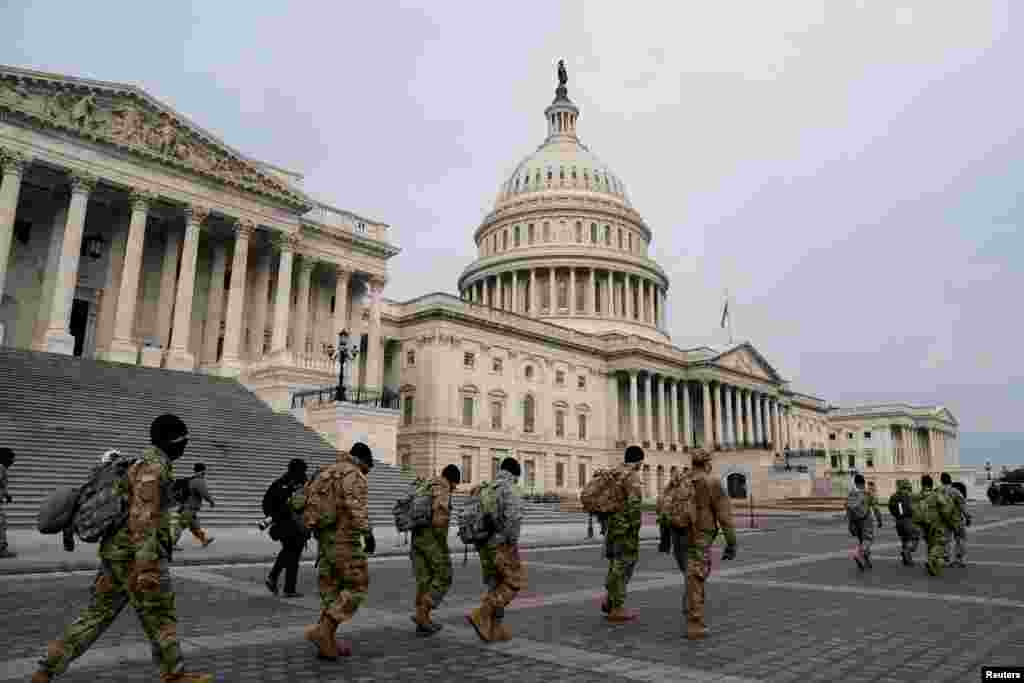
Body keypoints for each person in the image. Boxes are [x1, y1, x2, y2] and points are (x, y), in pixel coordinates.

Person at [31, 414, 213, 682]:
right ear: (173, 441)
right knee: (160, 615)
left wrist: (187, 485)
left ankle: (46, 669)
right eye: (184, 440)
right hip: (136, 558)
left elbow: (149, 499)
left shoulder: (142, 465)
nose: (185, 446)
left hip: (116, 555)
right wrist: (148, 568)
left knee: (97, 614)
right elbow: (143, 520)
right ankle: (174, 675)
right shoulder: (153, 468)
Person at [303, 442, 376, 660]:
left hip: (325, 540)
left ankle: (328, 640)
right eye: (368, 468)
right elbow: (355, 506)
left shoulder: (326, 472)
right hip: (345, 539)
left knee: (331, 589)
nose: (367, 472)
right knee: (357, 585)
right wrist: (368, 533)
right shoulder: (353, 474)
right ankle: (322, 632)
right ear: (363, 461)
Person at [467, 456, 525, 642]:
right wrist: (511, 543)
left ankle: (495, 628)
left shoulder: (486, 487)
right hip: (501, 544)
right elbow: (513, 520)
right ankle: (482, 614)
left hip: (483, 543)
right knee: (513, 582)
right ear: (515, 474)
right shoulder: (510, 489)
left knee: (496, 584)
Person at [682, 449, 737, 639]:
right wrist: (731, 543)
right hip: (701, 534)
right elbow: (725, 516)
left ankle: (689, 610)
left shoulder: (681, 480)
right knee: (696, 576)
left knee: (691, 575)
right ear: (706, 463)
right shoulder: (711, 482)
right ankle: (694, 623)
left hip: (681, 534)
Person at [411, 464, 461, 635]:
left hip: (416, 538)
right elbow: (439, 519)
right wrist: (442, 543)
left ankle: (423, 622)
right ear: (453, 481)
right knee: (444, 576)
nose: (454, 488)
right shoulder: (443, 487)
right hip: (432, 540)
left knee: (424, 578)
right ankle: (422, 613)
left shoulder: (426, 485)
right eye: (456, 485)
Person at [600, 445, 645, 624]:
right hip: (625, 529)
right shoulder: (631, 476)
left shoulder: (614, 473)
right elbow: (634, 505)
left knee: (615, 564)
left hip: (611, 527)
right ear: (639, 460)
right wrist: (635, 527)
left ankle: (610, 600)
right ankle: (617, 607)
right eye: (642, 461)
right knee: (623, 565)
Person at [265, 458, 311, 598]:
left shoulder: (279, 483)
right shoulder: (300, 484)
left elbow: (266, 503)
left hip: (282, 526)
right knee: (293, 556)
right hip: (295, 526)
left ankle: (275, 578)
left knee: (287, 552)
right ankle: (288, 588)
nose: (305, 474)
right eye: (304, 471)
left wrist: (273, 517)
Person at [915, 474, 955, 577]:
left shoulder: (918, 496)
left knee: (930, 544)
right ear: (931, 484)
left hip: (923, 525)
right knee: (940, 544)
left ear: (922, 484)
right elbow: (945, 508)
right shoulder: (936, 495)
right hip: (936, 523)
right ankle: (932, 560)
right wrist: (949, 521)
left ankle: (932, 562)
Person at [172, 463, 216, 551]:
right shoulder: (199, 481)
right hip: (189, 508)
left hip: (189, 508)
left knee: (195, 527)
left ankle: (204, 540)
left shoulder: (192, 479)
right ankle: (172, 543)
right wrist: (211, 502)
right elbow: (205, 494)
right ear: (203, 471)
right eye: (204, 470)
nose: (205, 473)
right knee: (181, 525)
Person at [846, 474, 881, 570]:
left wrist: (850, 524)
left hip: (854, 521)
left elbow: (848, 510)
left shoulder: (851, 494)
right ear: (863, 483)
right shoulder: (867, 494)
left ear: (855, 483)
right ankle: (858, 554)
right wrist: (879, 519)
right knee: (868, 540)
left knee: (862, 541)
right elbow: (876, 508)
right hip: (866, 520)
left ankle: (866, 559)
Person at [941, 473, 970, 568]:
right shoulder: (956, 492)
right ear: (950, 480)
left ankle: (946, 559)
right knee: (960, 539)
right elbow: (962, 506)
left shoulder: (937, 491)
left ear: (941, 481)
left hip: (944, 520)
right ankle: (959, 560)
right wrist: (967, 517)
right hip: (957, 520)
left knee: (946, 540)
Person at [888, 479, 920, 566]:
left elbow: (890, 508)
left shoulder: (893, 496)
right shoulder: (910, 496)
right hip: (908, 520)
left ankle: (907, 560)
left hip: (898, 521)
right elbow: (915, 508)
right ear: (907, 486)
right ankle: (907, 551)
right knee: (914, 538)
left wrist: (896, 515)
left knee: (904, 540)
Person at [0, 447, 14, 559]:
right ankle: (1, 550)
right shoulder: (0, 468)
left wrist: (6, 494)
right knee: (1, 524)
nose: (12, 461)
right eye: (11, 458)